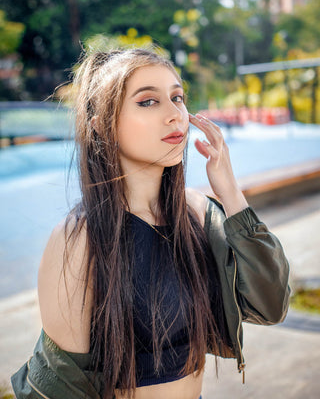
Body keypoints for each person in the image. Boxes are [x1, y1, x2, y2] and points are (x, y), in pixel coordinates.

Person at [11, 46, 290, 399]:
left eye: (178, 97)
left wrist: (231, 193)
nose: (176, 115)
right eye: (148, 102)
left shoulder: (196, 214)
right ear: (103, 125)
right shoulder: (80, 237)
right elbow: (60, 387)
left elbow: (271, 305)